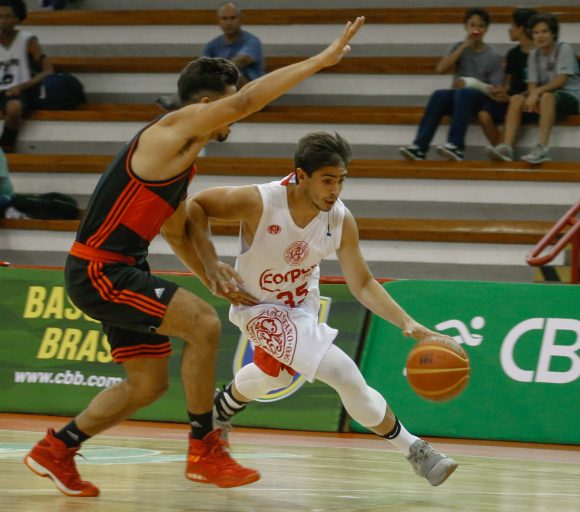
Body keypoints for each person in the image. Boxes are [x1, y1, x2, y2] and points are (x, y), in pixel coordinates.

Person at [23, 17, 366, 498]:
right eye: (227, 103)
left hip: (121, 268)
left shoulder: (181, 160)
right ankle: (205, 449)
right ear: (206, 105)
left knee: (147, 384)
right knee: (204, 325)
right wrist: (320, 60)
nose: (234, 115)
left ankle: (56, 449)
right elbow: (247, 101)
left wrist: (211, 274)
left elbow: (177, 229)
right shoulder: (169, 131)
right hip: (100, 268)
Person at [186, 132, 461, 487]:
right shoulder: (260, 201)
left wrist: (407, 323)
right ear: (301, 176)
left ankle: (220, 408)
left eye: (341, 180)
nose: (335, 190)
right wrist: (209, 263)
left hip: (302, 304)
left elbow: (362, 283)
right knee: (343, 374)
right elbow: (196, 206)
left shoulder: (340, 219)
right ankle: (416, 451)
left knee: (275, 376)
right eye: (327, 180)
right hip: (258, 307)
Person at [398, 8, 502, 162]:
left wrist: (471, 84)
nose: (476, 29)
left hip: (480, 99)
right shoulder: (457, 47)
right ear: (465, 27)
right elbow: (440, 69)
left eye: (481, 26)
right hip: (459, 97)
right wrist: (463, 47)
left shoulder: (493, 55)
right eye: (473, 25)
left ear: (486, 29)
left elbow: (494, 89)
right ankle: (419, 147)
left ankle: (456, 146)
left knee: (464, 93)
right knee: (439, 95)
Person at [487, 12, 580, 164]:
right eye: (536, 32)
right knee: (516, 98)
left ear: (553, 33)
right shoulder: (534, 54)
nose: (540, 36)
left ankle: (542, 148)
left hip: (571, 95)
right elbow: (532, 83)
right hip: (545, 94)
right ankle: (506, 147)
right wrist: (532, 94)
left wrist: (536, 93)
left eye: (544, 31)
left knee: (547, 97)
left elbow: (561, 80)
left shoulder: (564, 49)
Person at [156, 2, 265, 111]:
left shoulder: (251, 41)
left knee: (234, 75)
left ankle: (180, 101)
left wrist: (214, 73)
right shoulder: (213, 45)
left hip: (251, 92)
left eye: (233, 18)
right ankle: (184, 100)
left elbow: (242, 60)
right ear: (219, 21)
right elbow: (201, 68)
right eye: (224, 18)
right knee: (201, 75)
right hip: (221, 90)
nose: (229, 22)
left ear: (240, 19)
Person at [478, 8, 537, 152]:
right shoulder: (513, 54)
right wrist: (500, 92)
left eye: (512, 25)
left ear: (521, 28)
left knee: (512, 109)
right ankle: (501, 151)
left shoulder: (539, 54)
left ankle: (502, 152)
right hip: (511, 98)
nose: (509, 30)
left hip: (528, 102)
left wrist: (511, 98)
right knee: (484, 114)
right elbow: (509, 84)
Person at [0, 0, 54, 152]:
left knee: (14, 108)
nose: (3, 21)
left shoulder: (27, 40)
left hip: (20, 90)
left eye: (8, 16)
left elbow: (48, 70)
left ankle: (6, 145)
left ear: (17, 18)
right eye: (0, 16)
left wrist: (22, 86)